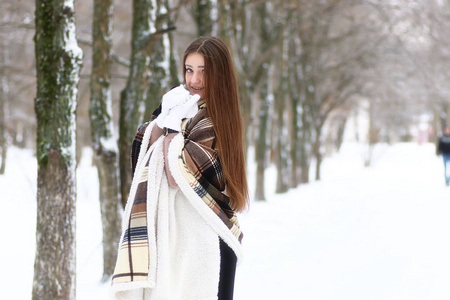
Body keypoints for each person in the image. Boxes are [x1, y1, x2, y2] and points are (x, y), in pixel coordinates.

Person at [111, 36, 249, 300]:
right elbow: (145, 149)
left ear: (218, 74)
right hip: (181, 245)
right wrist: (165, 118)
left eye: (203, 72)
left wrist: (172, 126)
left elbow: (176, 175)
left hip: (212, 242)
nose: (194, 80)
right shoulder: (182, 110)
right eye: (189, 70)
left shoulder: (215, 121)